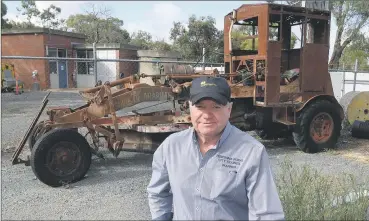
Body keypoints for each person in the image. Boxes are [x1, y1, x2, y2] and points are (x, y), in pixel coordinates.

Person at [147, 76, 285, 220]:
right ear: (189, 107)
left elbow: (267, 214)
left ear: (229, 109)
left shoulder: (251, 152)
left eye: (216, 107)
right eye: (200, 107)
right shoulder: (171, 146)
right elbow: (158, 193)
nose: (207, 115)